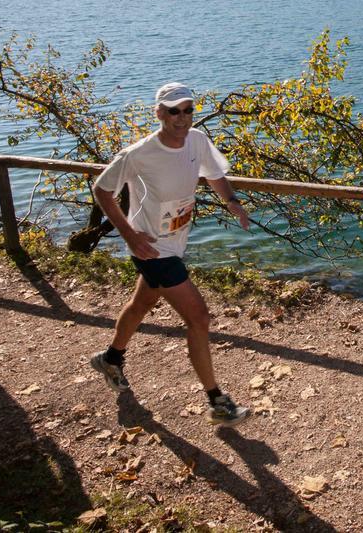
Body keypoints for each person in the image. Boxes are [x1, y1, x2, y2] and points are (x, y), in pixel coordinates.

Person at [87, 82, 252, 426]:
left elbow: (215, 174)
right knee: (199, 318)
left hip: (175, 242)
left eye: (188, 109)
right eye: (173, 110)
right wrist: (129, 235)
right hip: (151, 248)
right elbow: (101, 189)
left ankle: (110, 358)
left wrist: (233, 202)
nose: (182, 117)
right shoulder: (140, 153)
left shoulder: (197, 141)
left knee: (143, 303)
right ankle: (217, 402)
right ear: (159, 113)